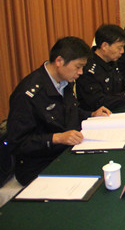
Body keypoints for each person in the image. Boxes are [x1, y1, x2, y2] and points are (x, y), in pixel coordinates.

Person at [7, 37, 112, 184]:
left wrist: (91, 114)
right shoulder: (28, 94)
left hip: (67, 151)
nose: (81, 72)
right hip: (40, 164)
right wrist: (56, 138)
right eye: (78, 67)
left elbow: (68, 112)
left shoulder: (64, 80)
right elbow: (17, 143)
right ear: (59, 61)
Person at [77, 24, 125, 111]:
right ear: (104, 46)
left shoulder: (111, 59)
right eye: (119, 48)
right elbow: (98, 102)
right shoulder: (88, 69)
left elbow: (119, 78)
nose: (122, 51)